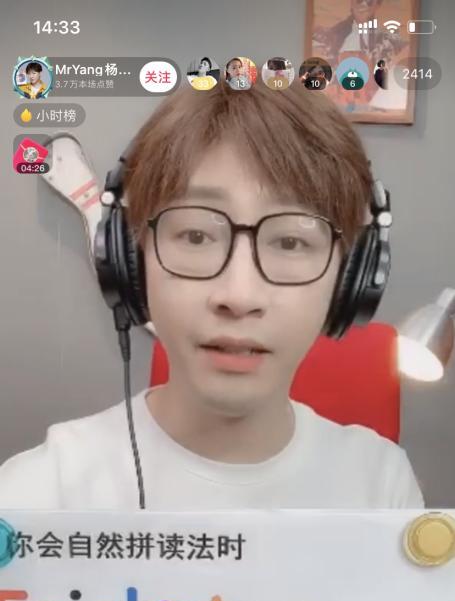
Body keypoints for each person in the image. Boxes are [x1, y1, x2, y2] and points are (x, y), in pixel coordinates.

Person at [0, 84, 424, 510]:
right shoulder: (37, 495)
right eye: (196, 235)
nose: (239, 296)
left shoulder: (381, 486)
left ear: (349, 277)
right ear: (132, 262)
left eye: (291, 242)